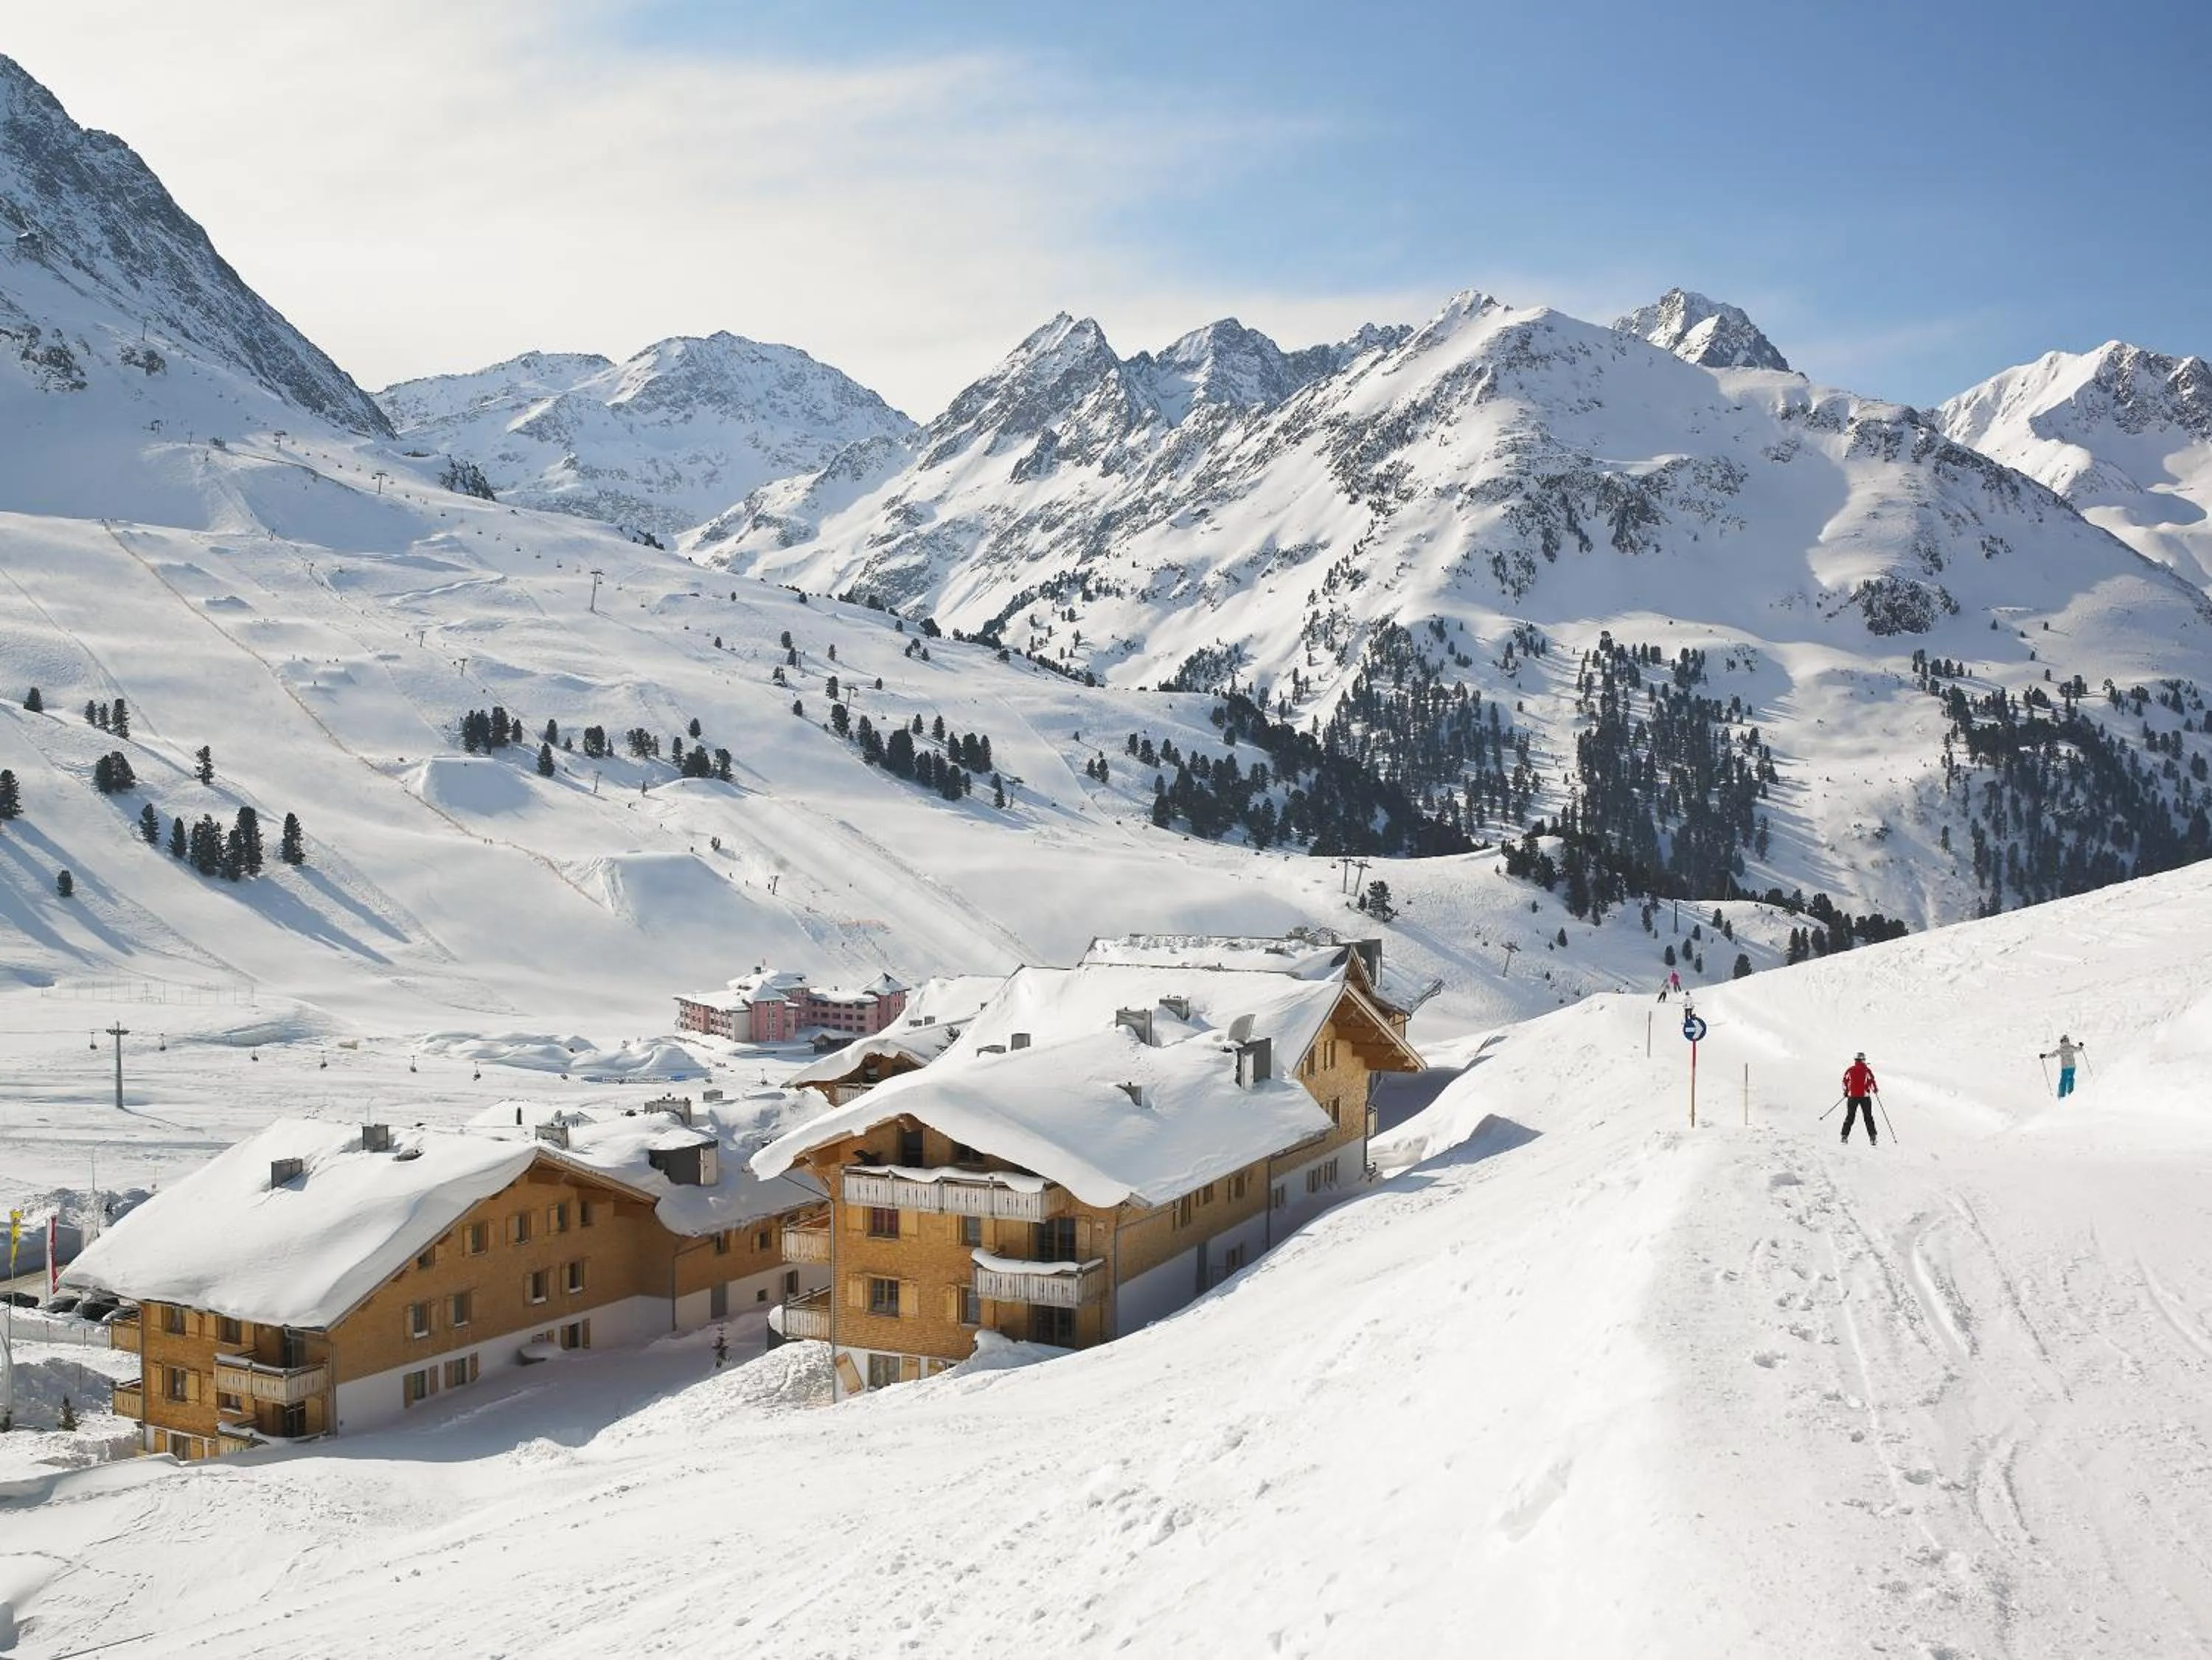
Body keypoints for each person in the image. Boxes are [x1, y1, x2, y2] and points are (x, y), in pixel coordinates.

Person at [1841, 1051, 1879, 1146]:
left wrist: (1846, 1092)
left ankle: (1844, 1136)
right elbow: (1871, 1081)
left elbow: (1845, 1081)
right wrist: (1875, 1090)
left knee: (1850, 1117)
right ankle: (1873, 1138)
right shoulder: (1867, 1070)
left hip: (1852, 1097)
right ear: (1863, 1060)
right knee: (1868, 1117)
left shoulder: (1850, 1070)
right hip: (1865, 1097)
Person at [2039, 1034, 2084, 1098]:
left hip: (2065, 1067)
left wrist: (2044, 1056)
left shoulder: (2061, 1049)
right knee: (2071, 1079)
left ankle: (2061, 1095)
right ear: (2068, 1040)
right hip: (2072, 1066)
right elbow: (2078, 1049)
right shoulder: (2071, 1047)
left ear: (2061, 1041)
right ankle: (2071, 1093)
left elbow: (2053, 1055)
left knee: (2063, 1081)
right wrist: (2081, 1046)